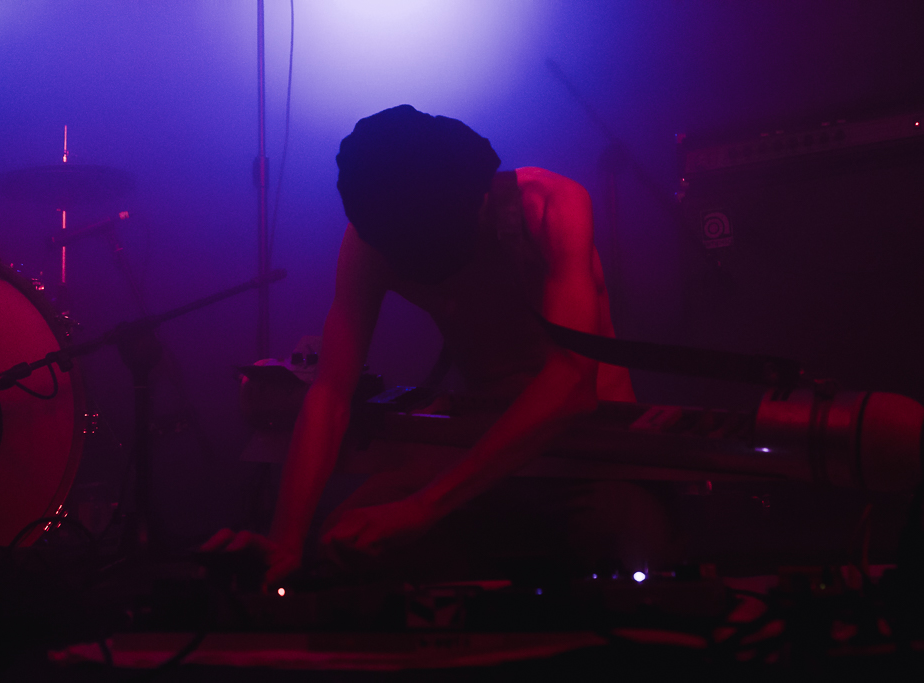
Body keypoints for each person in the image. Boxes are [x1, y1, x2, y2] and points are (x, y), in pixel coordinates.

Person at [204, 105, 668, 585]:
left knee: (622, 542)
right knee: (341, 548)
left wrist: (423, 506)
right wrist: (286, 541)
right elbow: (330, 393)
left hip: (590, 450)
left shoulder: (551, 205)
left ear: (476, 197)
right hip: (478, 449)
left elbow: (572, 384)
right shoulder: (376, 237)